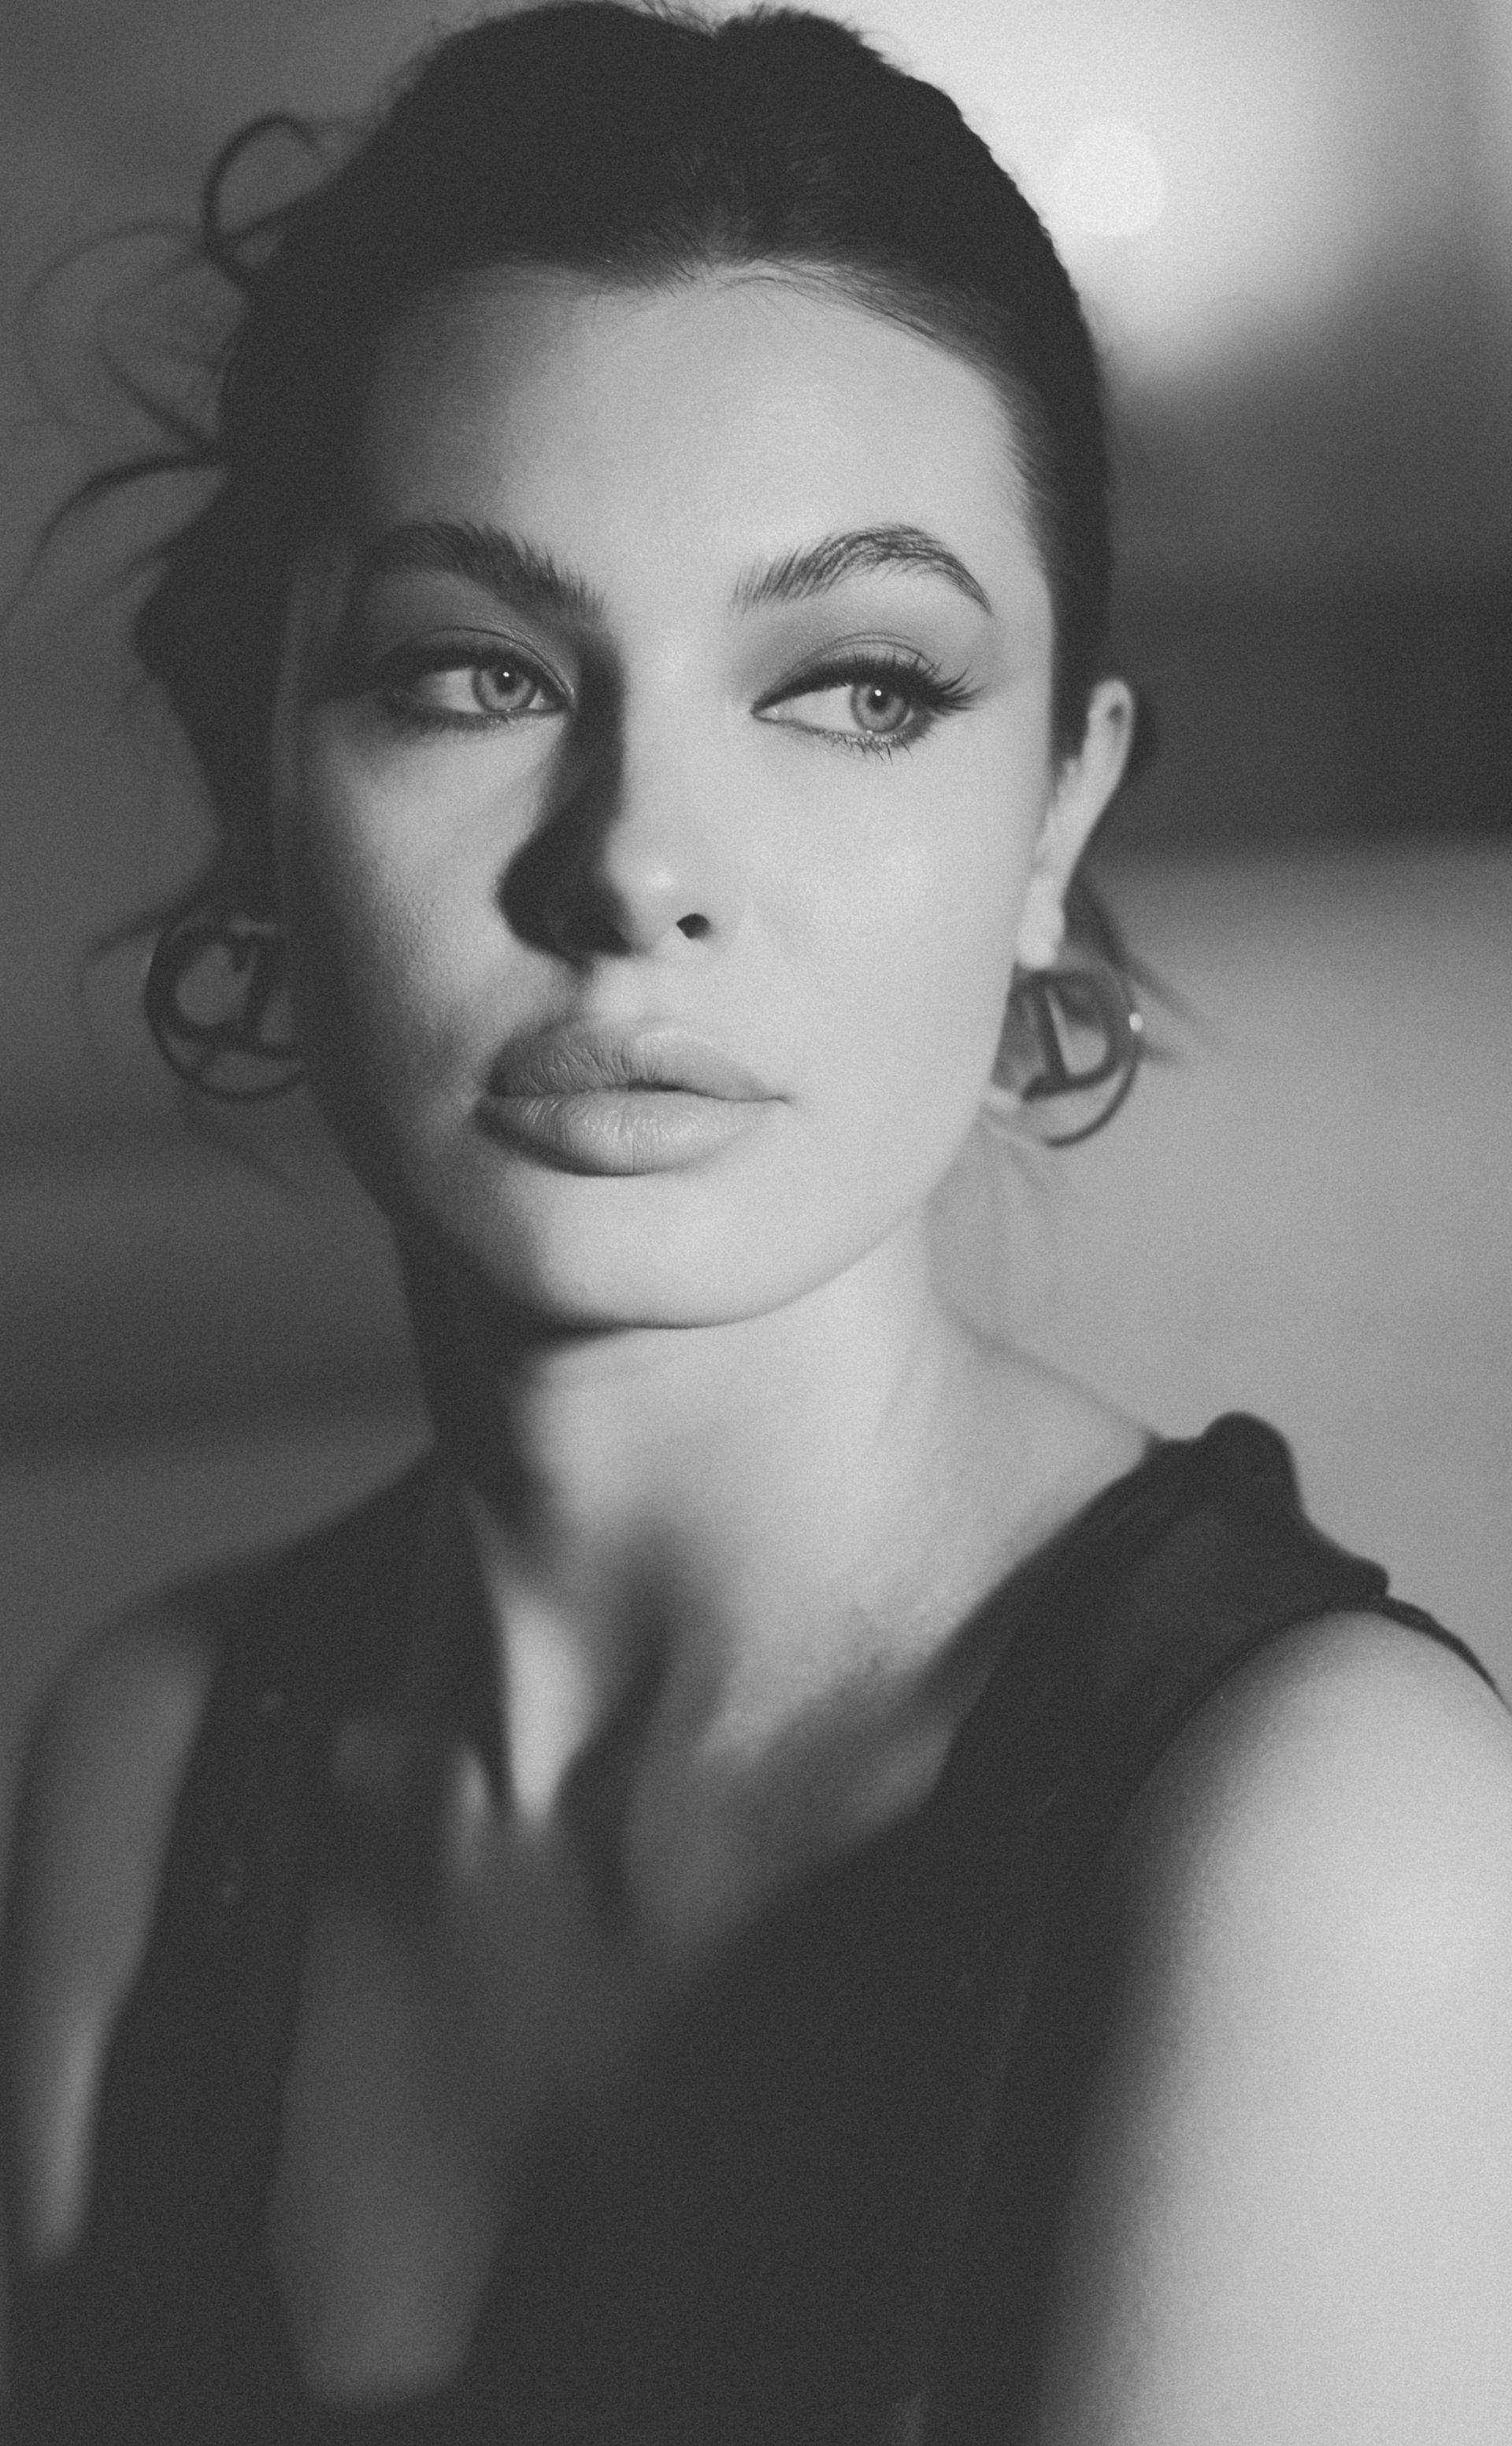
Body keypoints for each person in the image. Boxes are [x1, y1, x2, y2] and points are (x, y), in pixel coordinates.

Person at [5, 6, 1512, 2440]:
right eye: (472, 670)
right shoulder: (155, 1772)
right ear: (249, 770)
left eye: (858, 688)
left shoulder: (1331, 1850)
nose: (638, 867)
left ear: (1056, 820)